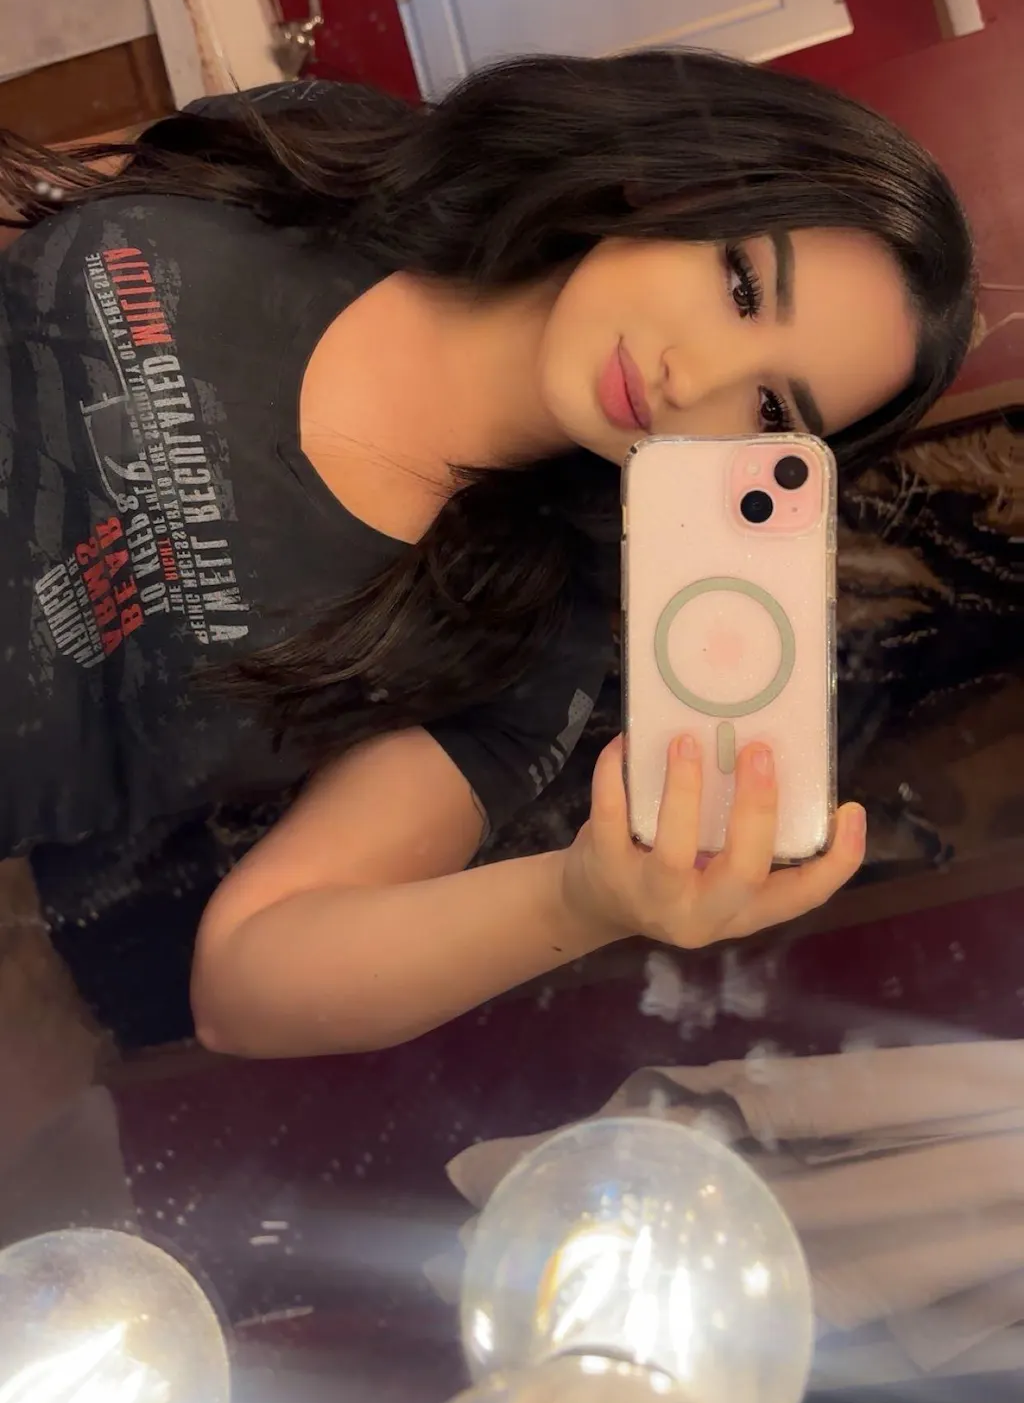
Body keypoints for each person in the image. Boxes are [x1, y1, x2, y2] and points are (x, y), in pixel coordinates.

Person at [0, 52, 975, 1058]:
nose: (693, 381)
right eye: (740, 282)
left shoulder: (523, 652)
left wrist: (585, 897)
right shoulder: (335, 147)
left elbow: (245, 983)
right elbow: (47, 206)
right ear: (683, 176)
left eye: (770, 408)